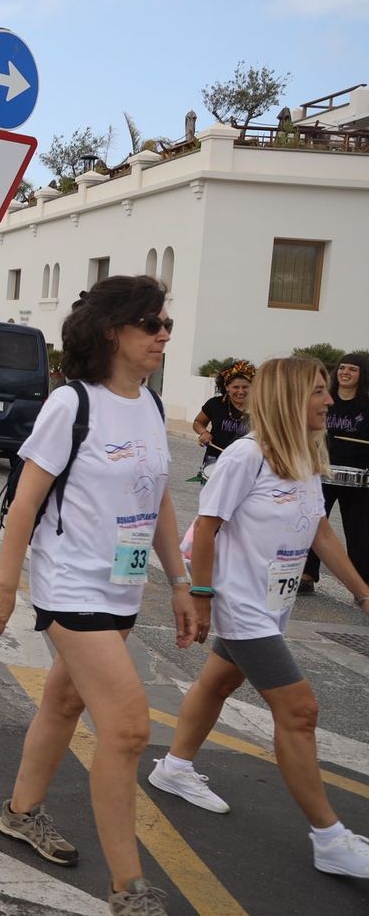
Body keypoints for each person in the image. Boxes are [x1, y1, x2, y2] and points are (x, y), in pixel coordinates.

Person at [0, 276, 193, 916]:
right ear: (112, 331)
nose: (163, 335)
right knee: (126, 730)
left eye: (166, 325)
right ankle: (130, 890)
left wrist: (180, 581)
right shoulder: (73, 405)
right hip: (70, 587)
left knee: (65, 699)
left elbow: (158, 499)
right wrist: (6, 585)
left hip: (123, 588)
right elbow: (26, 503)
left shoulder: (151, 406)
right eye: (152, 324)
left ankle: (21, 812)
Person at [148, 357, 369, 881]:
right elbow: (206, 527)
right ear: (292, 396)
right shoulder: (246, 455)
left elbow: (320, 533)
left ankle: (174, 768)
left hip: (275, 603)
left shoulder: (306, 452)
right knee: (300, 710)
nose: (329, 401)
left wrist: (362, 592)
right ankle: (330, 839)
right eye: (319, 391)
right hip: (241, 602)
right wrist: (200, 596)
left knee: (219, 682)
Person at [303, 353, 369, 594]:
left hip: (359, 478)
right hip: (321, 472)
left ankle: (363, 585)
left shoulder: (367, 405)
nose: (345, 372)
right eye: (342, 368)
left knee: (360, 532)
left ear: (362, 375)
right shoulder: (326, 400)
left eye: (352, 369)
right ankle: (307, 574)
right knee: (313, 522)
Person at [191, 361, 254, 483]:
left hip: (245, 464)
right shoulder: (215, 404)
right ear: (226, 387)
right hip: (215, 461)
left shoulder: (260, 408)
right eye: (236, 387)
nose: (240, 391)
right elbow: (198, 422)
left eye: (245, 387)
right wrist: (203, 433)